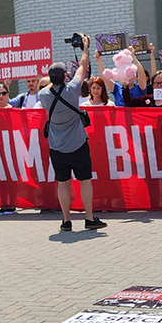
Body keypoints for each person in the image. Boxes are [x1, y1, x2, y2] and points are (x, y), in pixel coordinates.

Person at [38, 36, 106, 232]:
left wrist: (55, 80)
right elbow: (82, 67)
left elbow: (50, 87)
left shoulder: (44, 96)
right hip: (78, 144)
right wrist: (85, 47)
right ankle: (89, 218)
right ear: (66, 75)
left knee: (63, 182)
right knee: (85, 180)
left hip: (57, 147)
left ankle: (66, 220)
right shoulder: (72, 89)